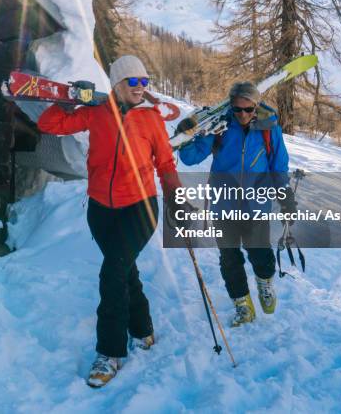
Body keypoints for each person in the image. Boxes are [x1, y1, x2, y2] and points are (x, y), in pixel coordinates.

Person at [37, 55, 181, 388]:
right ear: (116, 84)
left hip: (140, 208)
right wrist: (68, 100)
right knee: (124, 269)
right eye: (133, 82)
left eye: (145, 82)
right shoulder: (97, 113)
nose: (140, 88)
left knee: (113, 272)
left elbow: (165, 161)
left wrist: (175, 194)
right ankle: (143, 329)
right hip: (101, 208)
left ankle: (109, 352)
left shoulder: (151, 119)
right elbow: (50, 124)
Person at [178, 81, 295, 327]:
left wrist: (284, 195)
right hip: (224, 205)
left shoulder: (268, 126)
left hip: (257, 203)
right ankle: (242, 305)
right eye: (237, 109)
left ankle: (265, 284)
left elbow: (278, 163)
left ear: (256, 106)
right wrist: (186, 132)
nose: (242, 114)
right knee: (229, 258)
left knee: (260, 254)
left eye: (248, 109)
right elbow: (189, 158)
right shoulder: (219, 126)